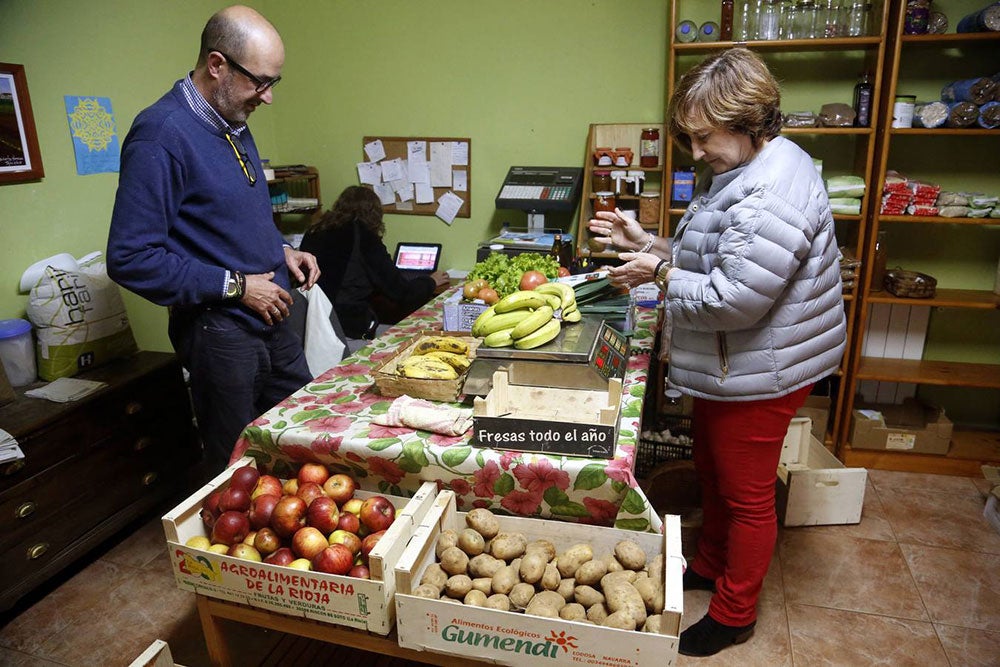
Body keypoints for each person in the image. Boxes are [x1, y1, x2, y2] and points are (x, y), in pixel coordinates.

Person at [589, 48, 846, 657]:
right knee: (713, 471)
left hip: (763, 367)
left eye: (705, 137)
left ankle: (735, 612)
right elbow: (715, 258)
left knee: (747, 495)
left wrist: (655, 274)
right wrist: (649, 241)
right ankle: (708, 563)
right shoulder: (743, 171)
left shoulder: (772, 191)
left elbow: (736, 299)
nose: (697, 152)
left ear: (749, 120)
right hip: (733, 365)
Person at [107, 5, 320, 470]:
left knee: (304, 436)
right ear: (217, 65)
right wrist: (239, 286)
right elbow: (129, 257)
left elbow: (226, 216)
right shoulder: (161, 135)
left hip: (271, 315)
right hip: (219, 331)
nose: (267, 98)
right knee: (238, 467)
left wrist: (281, 250)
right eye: (260, 82)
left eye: (273, 83)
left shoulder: (234, 121)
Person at [299, 185, 450, 340]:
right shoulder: (363, 237)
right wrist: (430, 281)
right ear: (374, 214)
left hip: (312, 324)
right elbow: (402, 293)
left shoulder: (314, 231)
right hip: (347, 329)